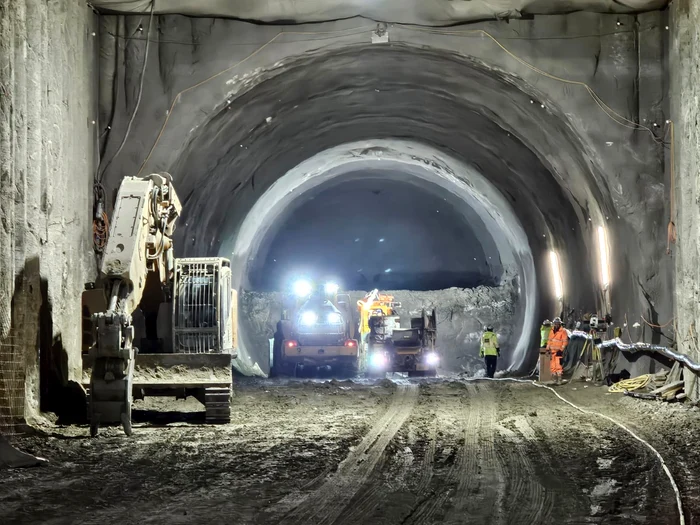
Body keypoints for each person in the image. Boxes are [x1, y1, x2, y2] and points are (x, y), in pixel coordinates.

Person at [546, 317, 568, 384]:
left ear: (560, 324)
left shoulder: (563, 331)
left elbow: (565, 342)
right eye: (555, 324)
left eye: (557, 324)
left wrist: (561, 350)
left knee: (558, 365)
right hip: (552, 352)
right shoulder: (551, 331)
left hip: (559, 352)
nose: (556, 325)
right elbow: (549, 341)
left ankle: (559, 379)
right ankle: (554, 379)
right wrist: (547, 349)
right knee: (552, 366)